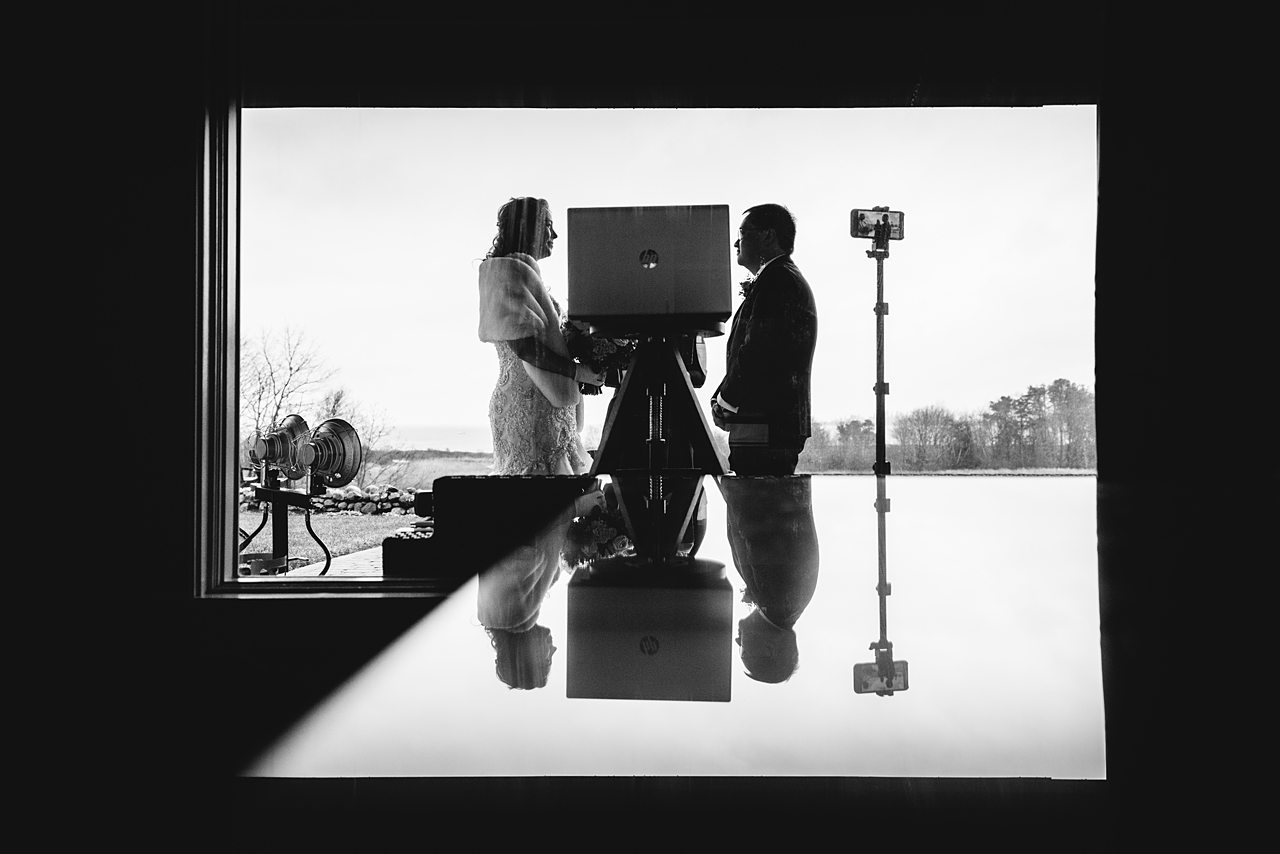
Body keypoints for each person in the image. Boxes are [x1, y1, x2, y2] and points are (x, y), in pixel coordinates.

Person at [477, 197, 606, 475]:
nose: (555, 235)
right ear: (528, 228)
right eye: (548, 226)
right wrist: (577, 371)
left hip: (547, 403)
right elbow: (524, 347)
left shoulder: (522, 274)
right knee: (538, 490)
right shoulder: (507, 273)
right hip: (527, 404)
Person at [711, 204, 818, 476]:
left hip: (766, 426)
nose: (737, 242)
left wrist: (725, 400)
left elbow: (758, 352)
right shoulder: (779, 278)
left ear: (768, 237)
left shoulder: (778, 280)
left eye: (744, 233)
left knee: (758, 508)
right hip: (767, 424)